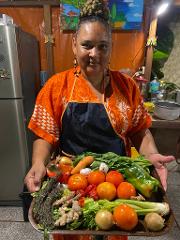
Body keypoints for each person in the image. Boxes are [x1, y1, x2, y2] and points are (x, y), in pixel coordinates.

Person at [25, 1, 175, 240]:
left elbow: (140, 131)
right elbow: (44, 135)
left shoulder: (127, 88)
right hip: (69, 182)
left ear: (110, 48)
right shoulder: (56, 87)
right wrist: (38, 163)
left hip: (116, 187)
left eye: (102, 46)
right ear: (74, 45)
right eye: (87, 45)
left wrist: (151, 155)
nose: (94, 54)